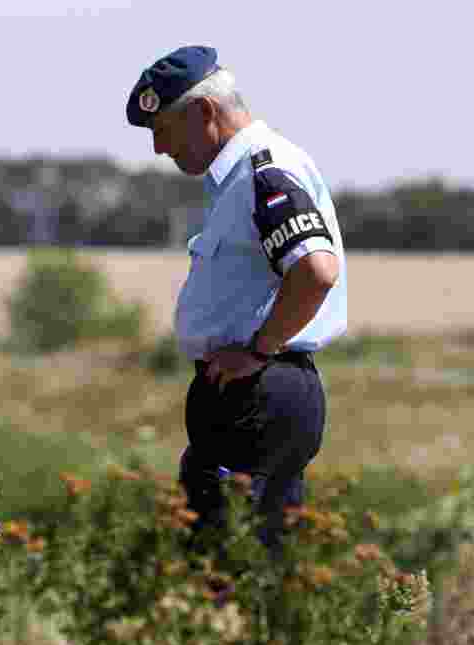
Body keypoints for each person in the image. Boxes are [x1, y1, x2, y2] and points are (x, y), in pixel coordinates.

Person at [125, 46, 348, 562]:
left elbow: (315, 271)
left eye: (163, 129)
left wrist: (260, 348)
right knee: (250, 572)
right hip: (253, 397)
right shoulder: (238, 177)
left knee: (224, 577)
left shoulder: (261, 171)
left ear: (204, 113)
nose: (159, 148)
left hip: (260, 395)